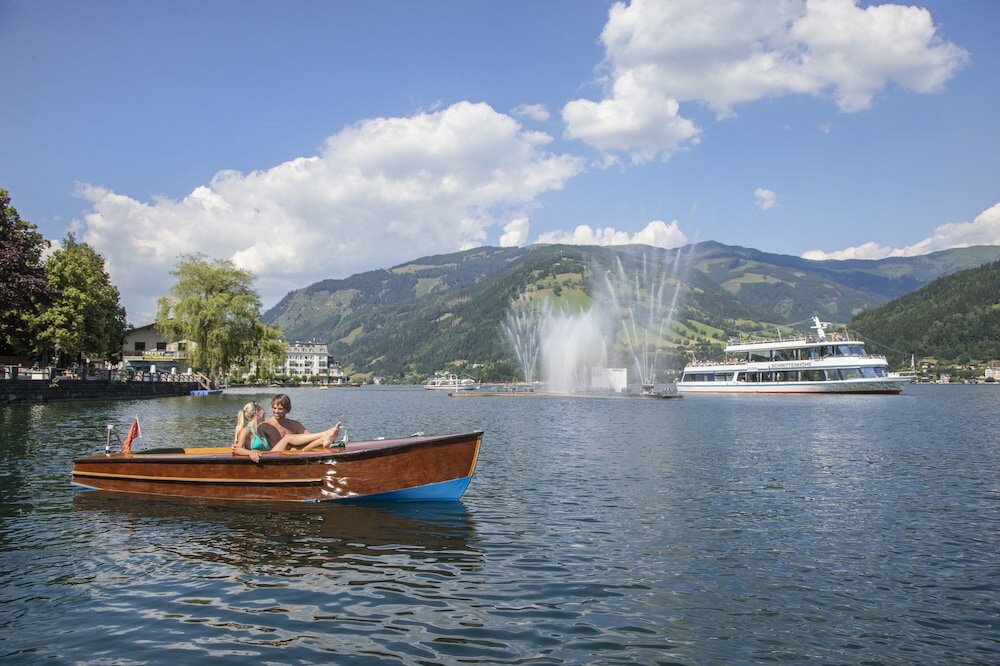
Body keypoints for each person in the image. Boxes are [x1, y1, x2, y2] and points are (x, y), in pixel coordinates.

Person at [231, 401, 341, 462]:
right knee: (288, 437)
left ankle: (322, 440)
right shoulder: (246, 430)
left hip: (269, 455)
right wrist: (250, 453)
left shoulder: (260, 428)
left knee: (293, 449)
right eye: (263, 410)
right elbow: (237, 449)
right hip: (267, 457)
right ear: (257, 412)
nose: (266, 413)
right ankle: (323, 434)